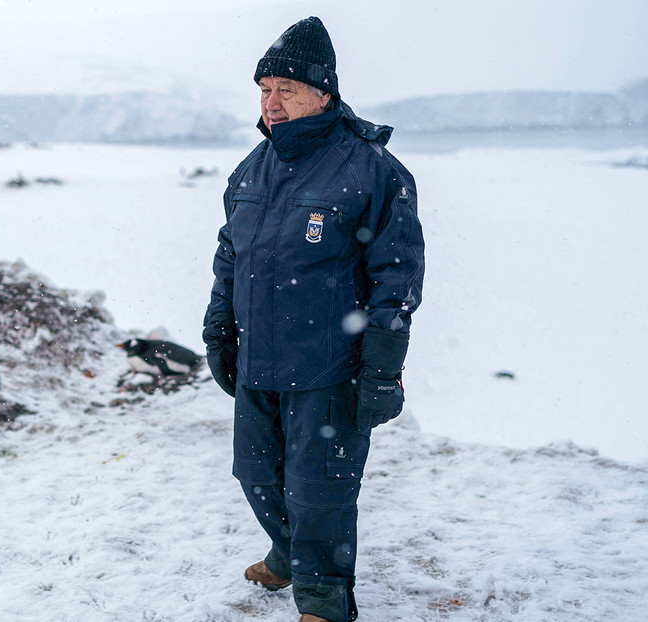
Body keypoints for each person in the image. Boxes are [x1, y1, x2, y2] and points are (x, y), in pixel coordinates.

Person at [201, 16, 425, 622]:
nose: (271, 104)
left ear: (323, 93)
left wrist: (382, 368)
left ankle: (324, 597)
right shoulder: (253, 167)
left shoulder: (372, 170)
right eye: (264, 90)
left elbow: (397, 278)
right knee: (254, 472)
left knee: (319, 489)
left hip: (330, 362)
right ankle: (287, 551)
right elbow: (231, 255)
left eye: (287, 90)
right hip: (260, 357)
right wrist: (219, 327)